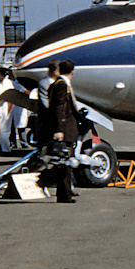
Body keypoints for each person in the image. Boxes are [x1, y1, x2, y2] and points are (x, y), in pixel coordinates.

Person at [47, 60, 79, 203]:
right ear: (72, 72)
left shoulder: (56, 84)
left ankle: (67, 191)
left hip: (66, 128)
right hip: (65, 129)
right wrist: (59, 130)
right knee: (65, 163)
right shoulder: (62, 86)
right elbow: (59, 108)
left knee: (66, 162)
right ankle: (64, 195)